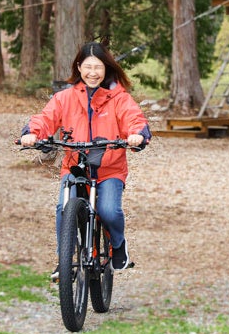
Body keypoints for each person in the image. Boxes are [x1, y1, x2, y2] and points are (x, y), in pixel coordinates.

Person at [20, 42, 150, 278]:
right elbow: (45, 118)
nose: (93, 73)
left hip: (109, 168)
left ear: (106, 68)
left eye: (98, 67)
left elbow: (134, 118)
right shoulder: (65, 98)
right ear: (79, 67)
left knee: (108, 211)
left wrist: (137, 134)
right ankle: (65, 260)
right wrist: (32, 133)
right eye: (88, 67)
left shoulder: (119, 98)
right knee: (63, 208)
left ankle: (118, 245)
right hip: (74, 165)